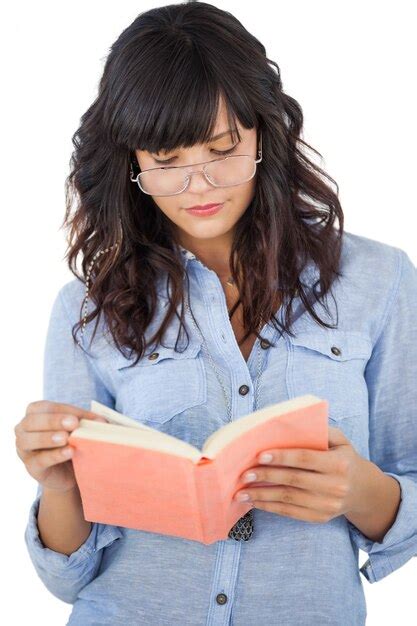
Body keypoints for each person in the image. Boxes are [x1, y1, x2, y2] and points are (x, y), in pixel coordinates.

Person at [14, 2, 417, 625]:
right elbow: (68, 573)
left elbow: (408, 488)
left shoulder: (379, 282)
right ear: (131, 163)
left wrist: (361, 492)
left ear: (263, 132)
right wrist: (59, 484)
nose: (198, 185)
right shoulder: (85, 310)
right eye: (167, 161)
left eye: (222, 149)